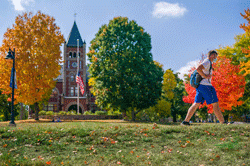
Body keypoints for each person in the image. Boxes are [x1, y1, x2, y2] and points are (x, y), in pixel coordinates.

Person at [181, 50, 226, 125]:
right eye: (215, 56)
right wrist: (205, 76)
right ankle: (223, 122)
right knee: (215, 103)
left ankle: (185, 121)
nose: (216, 58)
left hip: (200, 86)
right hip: (206, 86)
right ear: (212, 55)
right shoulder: (207, 62)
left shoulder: (208, 62)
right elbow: (198, 69)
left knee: (196, 104)